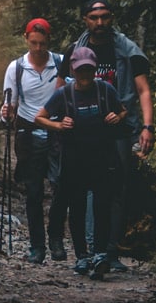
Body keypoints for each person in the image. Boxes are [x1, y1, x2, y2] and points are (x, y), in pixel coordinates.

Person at [66, 0, 154, 274]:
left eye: (104, 17)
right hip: (84, 134)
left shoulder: (127, 50)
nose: (100, 23)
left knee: (117, 190)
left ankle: (111, 250)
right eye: (94, 17)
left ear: (111, 18)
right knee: (88, 189)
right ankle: (93, 250)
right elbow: (62, 89)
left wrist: (147, 127)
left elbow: (143, 90)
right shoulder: (76, 52)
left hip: (119, 131)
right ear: (85, 19)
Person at [36, 52, 126, 278]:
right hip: (73, 159)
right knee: (76, 208)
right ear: (73, 71)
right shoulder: (64, 94)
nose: (85, 74)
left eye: (89, 69)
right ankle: (82, 256)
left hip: (102, 157)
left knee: (101, 206)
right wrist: (58, 125)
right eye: (80, 70)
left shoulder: (105, 90)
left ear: (94, 69)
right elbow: (40, 117)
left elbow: (123, 110)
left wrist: (117, 116)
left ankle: (100, 254)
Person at [0, 18, 64, 263]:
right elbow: (9, 104)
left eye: (42, 43)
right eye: (33, 43)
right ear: (26, 39)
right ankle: (38, 246)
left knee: (61, 188)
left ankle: (56, 238)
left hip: (57, 133)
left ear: (48, 41)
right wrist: (6, 114)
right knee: (34, 192)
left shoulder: (60, 63)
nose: (38, 48)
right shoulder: (15, 68)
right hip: (28, 134)